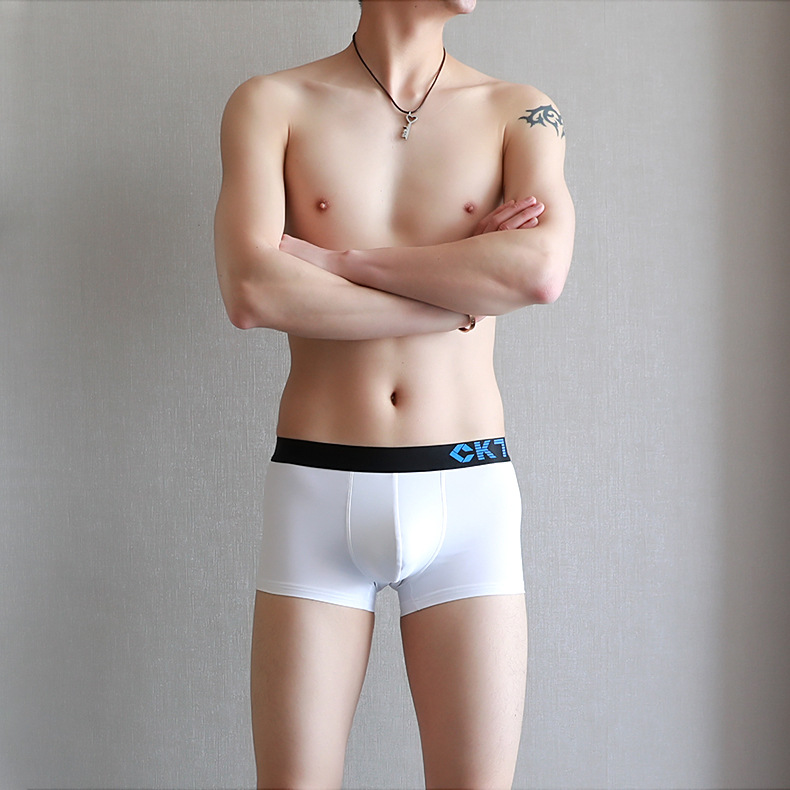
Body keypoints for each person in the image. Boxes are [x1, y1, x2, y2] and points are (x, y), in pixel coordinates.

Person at [214, 0, 574, 786]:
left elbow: (539, 272)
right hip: (318, 487)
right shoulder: (271, 103)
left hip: (467, 490)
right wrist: (457, 293)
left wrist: (339, 263)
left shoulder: (520, 111)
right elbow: (252, 291)